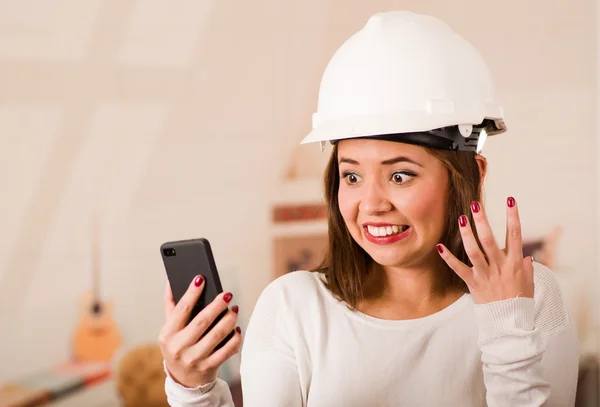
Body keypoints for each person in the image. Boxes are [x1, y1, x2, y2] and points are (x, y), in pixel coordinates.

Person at [158, 10, 580, 406]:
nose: (371, 205)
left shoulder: (530, 294)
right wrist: (192, 390)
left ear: (473, 174)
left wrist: (506, 327)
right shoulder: (292, 308)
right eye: (352, 176)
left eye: (400, 175)